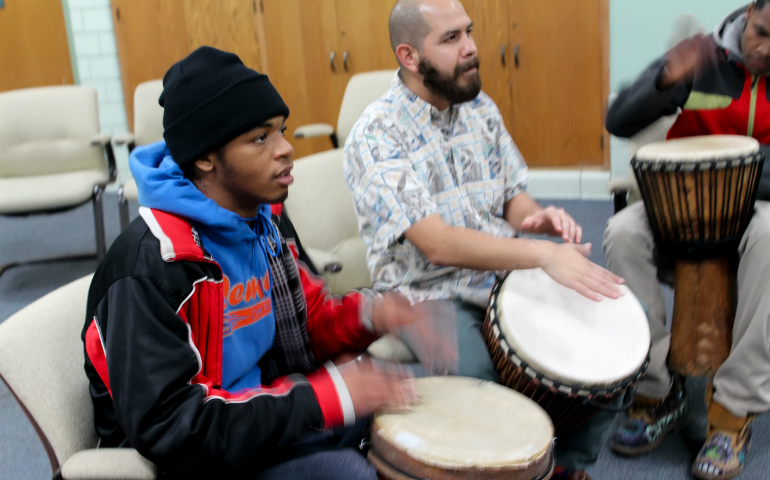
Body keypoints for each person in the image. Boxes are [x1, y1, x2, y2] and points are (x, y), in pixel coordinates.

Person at [81, 46, 437, 480]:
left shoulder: (263, 221)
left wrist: (372, 313)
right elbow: (172, 425)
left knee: (413, 395)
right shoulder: (153, 264)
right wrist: (320, 399)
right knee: (347, 472)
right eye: (260, 137)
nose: (286, 148)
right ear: (205, 156)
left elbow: (306, 324)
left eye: (281, 130)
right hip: (194, 456)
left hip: (263, 413)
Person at [343, 1, 625, 478]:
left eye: (468, 32)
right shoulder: (376, 134)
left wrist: (537, 219)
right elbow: (436, 243)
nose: (472, 48)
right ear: (409, 56)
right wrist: (540, 255)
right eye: (451, 39)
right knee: (489, 386)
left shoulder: (480, 109)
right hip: (427, 292)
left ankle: (566, 468)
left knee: (605, 347)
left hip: (503, 274)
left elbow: (514, 196)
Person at [604, 2, 770, 479]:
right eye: (761, 32)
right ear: (751, 13)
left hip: (757, 206)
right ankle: (656, 390)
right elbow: (619, 121)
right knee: (622, 231)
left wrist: (733, 168)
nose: (764, 49)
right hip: (682, 201)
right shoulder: (704, 59)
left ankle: (733, 412)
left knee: (768, 241)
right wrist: (663, 79)